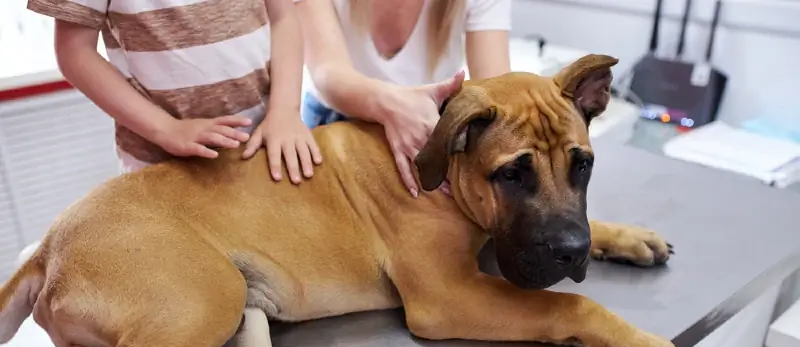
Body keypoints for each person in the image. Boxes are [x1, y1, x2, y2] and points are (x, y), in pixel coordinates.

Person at [26, 0, 320, 184]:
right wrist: (166, 129)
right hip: (162, 167)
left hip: (263, 150)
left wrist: (285, 110)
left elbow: (284, 17)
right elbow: (74, 53)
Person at [296, 0, 512, 197]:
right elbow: (328, 74)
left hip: (426, 126)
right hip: (334, 114)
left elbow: (497, 91)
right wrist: (393, 106)